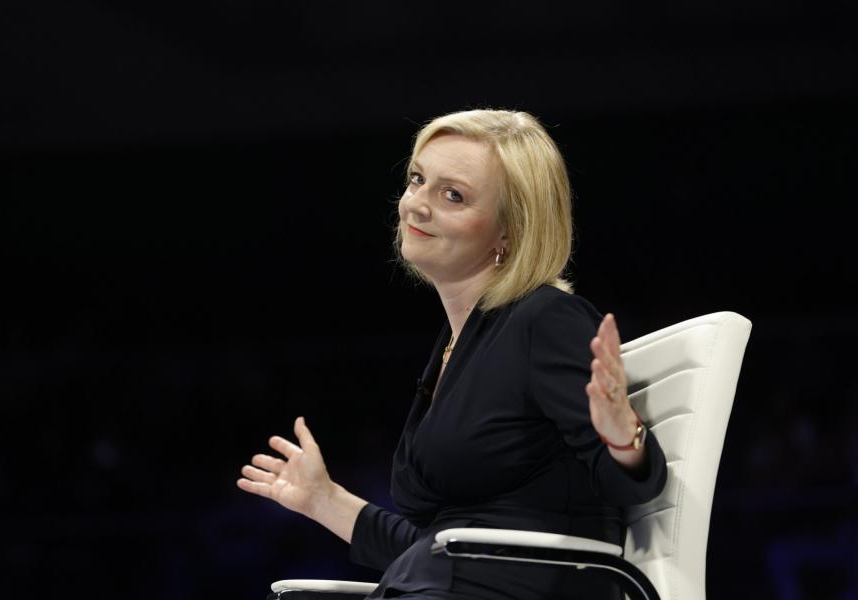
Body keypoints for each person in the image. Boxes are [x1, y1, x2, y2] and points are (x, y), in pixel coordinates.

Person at [237, 109, 668, 599]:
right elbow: (438, 549)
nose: (416, 205)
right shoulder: (460, 342)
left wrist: (622, 438)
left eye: (452, 195)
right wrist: (322, 498)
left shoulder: (546, 320)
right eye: (417, 179)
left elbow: (632, 487)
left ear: (510, 232)